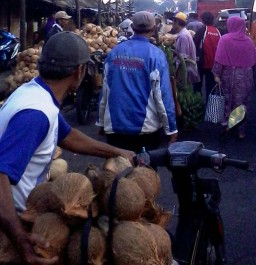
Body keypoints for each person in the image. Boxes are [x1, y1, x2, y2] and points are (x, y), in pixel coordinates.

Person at [0, 31, 134, 265]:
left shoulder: (37, 94)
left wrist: (117, 152)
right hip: (12, 225)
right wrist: (21, 241)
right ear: (79, 71)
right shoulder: (36, 114)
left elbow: (68, 135)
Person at [97, 11, 178, 153]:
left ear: (132, 28)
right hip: (145, 130)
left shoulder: (114, 52)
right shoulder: (156, 55)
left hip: (115, 127)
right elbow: (162, 96)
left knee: (118, 172)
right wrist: (170, 128)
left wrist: (101, 122)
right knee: (144, 173)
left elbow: (104, 90)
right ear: (153, 30)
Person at [212, 16, 256, 139]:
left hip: (228, 76)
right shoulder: (248, 41)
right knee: (242, 103)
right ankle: (241, 131)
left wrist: (216, 74)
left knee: (228, 101)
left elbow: (219, 59)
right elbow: (253, 60)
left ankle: (227, 125)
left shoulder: (225, 40)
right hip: (245, 76)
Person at [193, 11, 221, 103]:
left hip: (201, 63)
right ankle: (210, 110)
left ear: (203, 20)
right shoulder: (217, 31)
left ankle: (198, 106)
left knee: (197, 87)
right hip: (213, 65)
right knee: (211, 89)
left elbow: (195, 44)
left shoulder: (201, 31)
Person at [172, 12, 200, 85]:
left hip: (185, 73)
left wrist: (178, 75)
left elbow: (183, 59)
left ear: (177, 22)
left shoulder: (183, 36)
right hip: (186, 71)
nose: (172, 24)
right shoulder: (183, 33)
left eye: (173, 21)